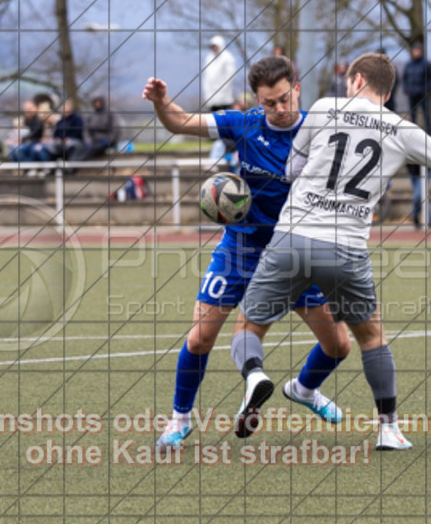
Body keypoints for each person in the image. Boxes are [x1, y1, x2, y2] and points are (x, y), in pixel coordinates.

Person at [229, 52, 431, 450]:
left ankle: (255, 375)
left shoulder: (324, 108)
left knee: (248, 326)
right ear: (388, 91)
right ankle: (388, 429)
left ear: (357, 80)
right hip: (346, 246)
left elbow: (292, 171)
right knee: (371, 337)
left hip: (292, 236)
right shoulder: (401, 128)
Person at [143, 55, 351, 451]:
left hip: (296, 253)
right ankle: (179, 420)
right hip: (241, 247)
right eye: (269, 103)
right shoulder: (244, 124)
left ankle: (305, 389)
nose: (279, 108)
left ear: (297, 89)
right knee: (200, 338)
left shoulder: (321, 132)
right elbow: (180, 123)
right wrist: (160, 102)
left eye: (285, 99)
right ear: (257, 100)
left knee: (338, 345)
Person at [70, 96, 120, 161]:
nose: (97, 104)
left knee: (93, 149)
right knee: (80, 148)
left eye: (99, 102)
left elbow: (115, 130)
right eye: (96, 102)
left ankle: (78, 162)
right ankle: (72, 161)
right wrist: (88, 141)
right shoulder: (91, 115)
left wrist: (109, 140)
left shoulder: (110, 114)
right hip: (93, 141)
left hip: (105, 141)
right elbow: (86, 130)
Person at [202, 35, 238, 113]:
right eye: (212, 46)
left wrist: (223, 89)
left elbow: (230, 75)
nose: (214, 48)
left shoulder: (227, 57)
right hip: (212, 98)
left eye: (215, 46)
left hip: (224, 97)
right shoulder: (209, 58)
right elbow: (206, 77)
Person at [402, 42, 431, 135]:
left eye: (418, 50)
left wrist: (426, 89)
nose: (416, 52)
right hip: (412, 94)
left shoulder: (426, 64)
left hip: (423, 94)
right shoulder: (409, 65)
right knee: (412, 115)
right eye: (415, 50)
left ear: (421, 52)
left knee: (426, 115)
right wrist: (406, 89)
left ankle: (429, 134)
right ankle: (413, 134)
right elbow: (404, 78)